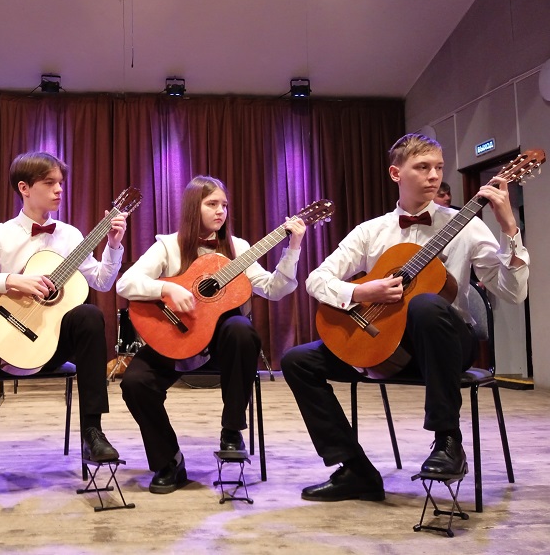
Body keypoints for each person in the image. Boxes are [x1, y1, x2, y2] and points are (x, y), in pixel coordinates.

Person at [281, 133, 529, 502]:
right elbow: (316, 280)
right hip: (388, 345)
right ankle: (356, 470)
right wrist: (363, 292)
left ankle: (448, 442)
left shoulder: (466, 224)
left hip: (446, 343)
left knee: (425, 305)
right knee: (297, 361)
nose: (434, 175)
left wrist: (509, 228)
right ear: (396, 173)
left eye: (439, 167)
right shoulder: (371, 231)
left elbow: (514, 292)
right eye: (423, 167)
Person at [0, 151, 128, 517]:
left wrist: (114, 245)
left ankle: (92, 433)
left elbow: (103, 281)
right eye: (49, 183)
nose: (59, 190)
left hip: (50, 344)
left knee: (89, 315)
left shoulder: (71, 236)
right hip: (1, 342)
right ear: (24, 188)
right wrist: (11, 280)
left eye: (61, 183)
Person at [116, 175, 305, 494]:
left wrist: (293, 248)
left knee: (241, 329)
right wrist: (166, 289)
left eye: (225, 205)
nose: (221, 211)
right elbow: (125, 284)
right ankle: (168, 461)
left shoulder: (238, 248)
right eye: (212, 204)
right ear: (194, 207)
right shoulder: (168, 245)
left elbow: (273, 289)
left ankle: (231, 431)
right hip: (176, 337)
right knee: (135, 383)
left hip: (222, 348)